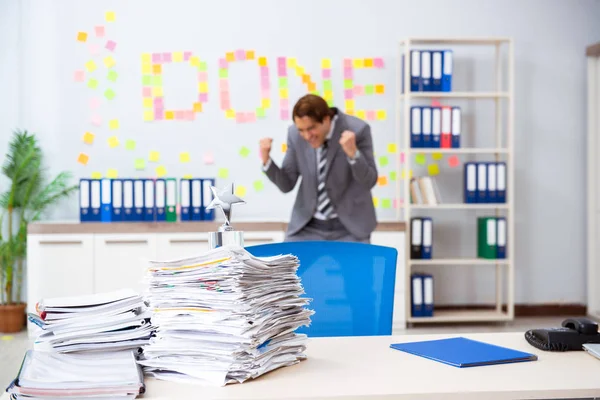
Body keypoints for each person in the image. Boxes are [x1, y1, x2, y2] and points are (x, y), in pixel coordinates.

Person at [259, 94, 378, 243]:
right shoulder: (295, 134)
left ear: (326, 119)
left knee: (357, 266)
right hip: (307, 225)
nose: (307, 136)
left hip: (350, 226)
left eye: (311, 128)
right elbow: (287, 184)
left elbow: (369, 181)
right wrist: (266, 160)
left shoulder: (357, 130)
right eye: (301, 130)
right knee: (288, 264)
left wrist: (354, 154)